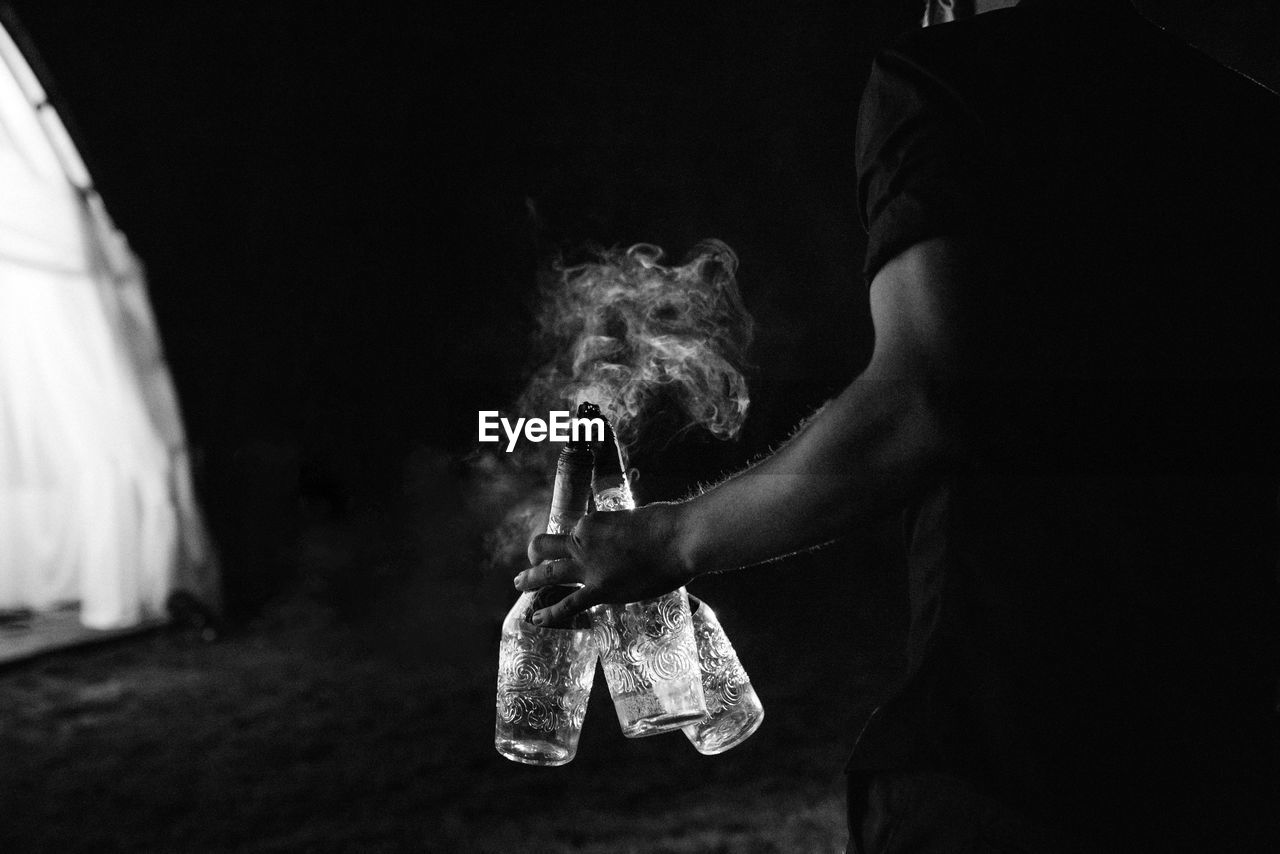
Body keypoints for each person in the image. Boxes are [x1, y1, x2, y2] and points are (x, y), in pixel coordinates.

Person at [516, 0, 1280, 849]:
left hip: (1021, 752)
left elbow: (927, 397)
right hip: (1233, 755)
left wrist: (671, 538)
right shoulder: (1244, 115)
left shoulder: (952, 74)